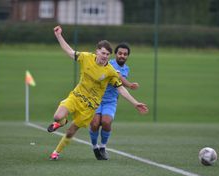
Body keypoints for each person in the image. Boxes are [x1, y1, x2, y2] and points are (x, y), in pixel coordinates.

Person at [47, 25, 148, 160]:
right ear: (97, 51)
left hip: (90, 106)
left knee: (72, 131)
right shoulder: (86, 57)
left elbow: (120, 88)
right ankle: (62, 121)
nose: (105, 56)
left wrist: (135, 103)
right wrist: (59, 35)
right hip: (76, 96)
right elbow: (69, 51)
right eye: (103, 53)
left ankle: (56, 152)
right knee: (57, 116)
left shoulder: (110, 71)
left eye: (107, 54)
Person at [89, 43, 139, 160]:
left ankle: (103, 147)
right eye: (120, 53)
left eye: (125, 54)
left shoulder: (126, 68)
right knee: (95, 123)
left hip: (110, 101)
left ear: (127, 56)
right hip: (96, 98)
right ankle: (94, 146)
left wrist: (129, 87)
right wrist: (130, 85)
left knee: (106, 122)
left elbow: (119, 82)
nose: (122, 56)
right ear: (115, 54)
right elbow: (118, 77)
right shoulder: (109, 63)